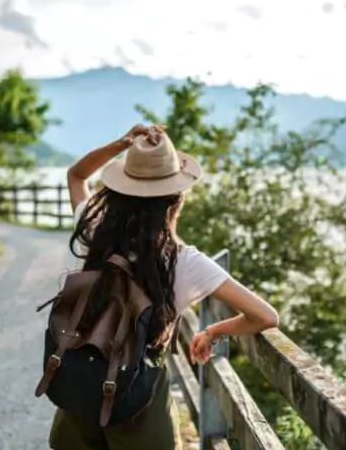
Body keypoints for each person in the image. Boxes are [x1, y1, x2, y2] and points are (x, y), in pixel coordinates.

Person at [49, 124, 279, 450]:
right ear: (176, 198)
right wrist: (213, 332)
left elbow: (76, 175)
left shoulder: (94, 228)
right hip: (138, 396)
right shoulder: (184, 262)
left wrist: (122, 143)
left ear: (118, 190)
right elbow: (264, 316)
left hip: (80, 381)